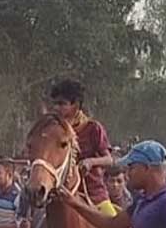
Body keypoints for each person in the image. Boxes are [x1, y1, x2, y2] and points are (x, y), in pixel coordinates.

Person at [49, 78, 116, 216]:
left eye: (62, 104)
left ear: (76, 104)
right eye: (55, 104)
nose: (56, 108)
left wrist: (90, 162)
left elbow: (109, 160)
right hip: (60, 193)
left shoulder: (93, 128)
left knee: (115, 226)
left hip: (92, 194)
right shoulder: (53, 130)